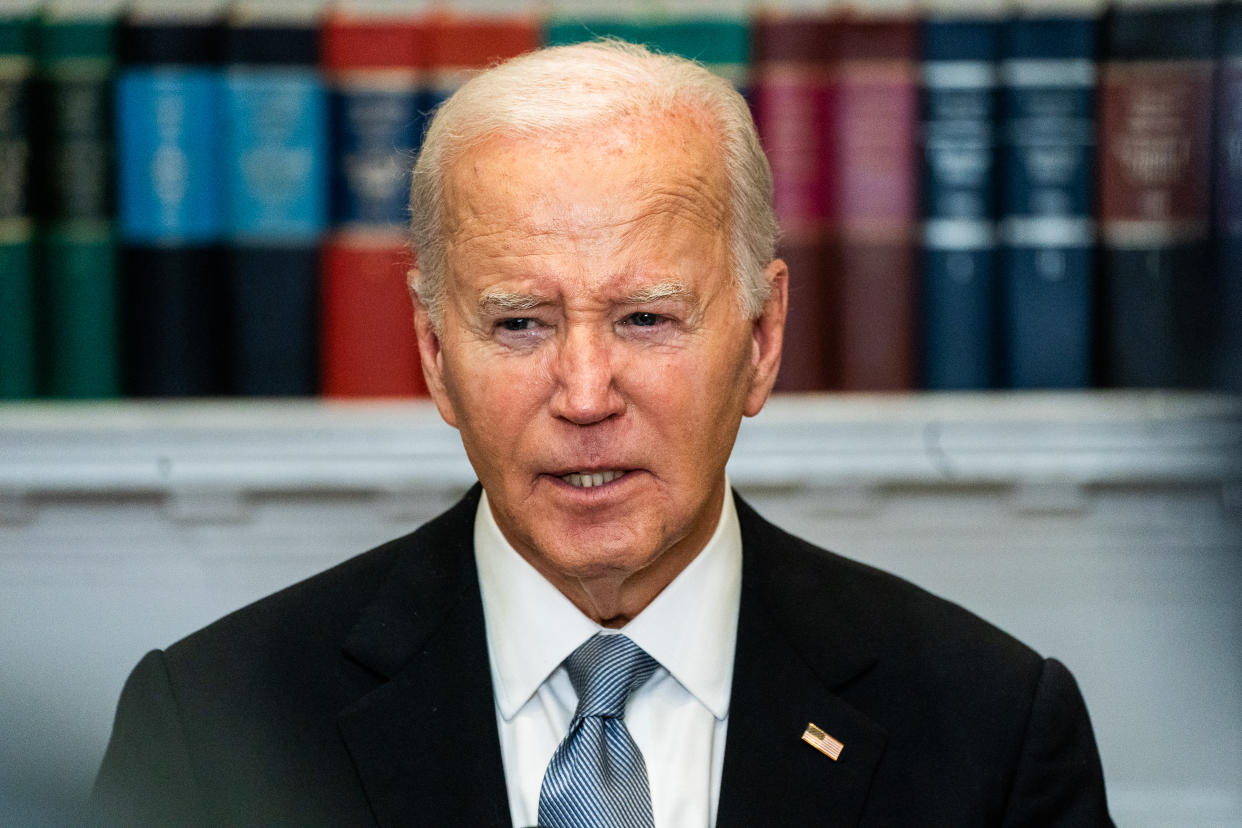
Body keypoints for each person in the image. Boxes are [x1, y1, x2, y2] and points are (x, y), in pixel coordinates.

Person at [92, 40, 1113, 826]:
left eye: (646, 319)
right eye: (520, 324)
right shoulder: (211, 728)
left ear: (761, 341)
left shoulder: (994, 732)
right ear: (436, 356)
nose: (584, 394)